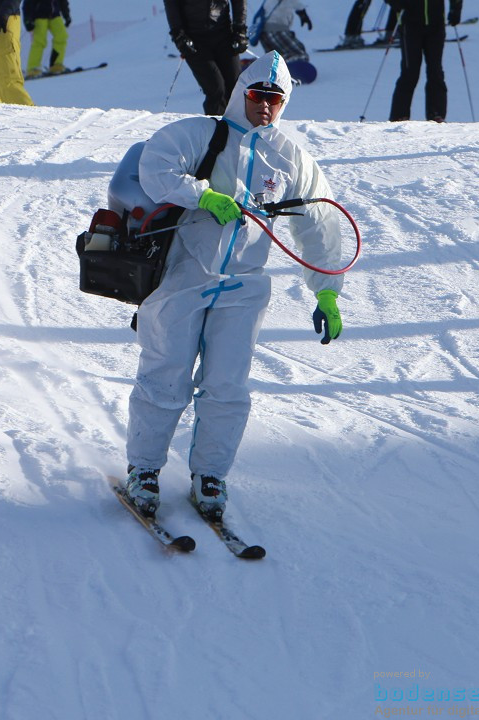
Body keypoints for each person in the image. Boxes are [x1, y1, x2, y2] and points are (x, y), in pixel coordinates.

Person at [120, 51, 345, 521]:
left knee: (227, 386)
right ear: (242, 91)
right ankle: (143, 469)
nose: (266, 105)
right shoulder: (203, 134)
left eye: (276, 98)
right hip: (184, 276)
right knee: (165, 377)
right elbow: (156, 166)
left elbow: (319, 222)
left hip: (243, 286)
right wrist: (203, 195)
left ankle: (210, 476)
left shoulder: (289, 158)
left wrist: (326, 290)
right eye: (258, 94)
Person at [164, 0, 248, 115]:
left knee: (236, 87)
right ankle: (217, 129)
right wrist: (179, 36)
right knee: (216, 89)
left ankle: (239, 127)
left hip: (224, 35)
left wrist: (240, 30)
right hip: (195, 40)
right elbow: (171, 6)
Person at [388, 0, 462, 122]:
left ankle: (436, 114)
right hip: (410, 23)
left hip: (436, 23)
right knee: (410, 71)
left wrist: (455, 9)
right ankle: (399, 115)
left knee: (435, 70)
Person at [22, 0, 71, 78]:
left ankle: (56, 65)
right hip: (39, 15)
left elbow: (62, 1)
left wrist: (66, 15)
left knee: (62, 36)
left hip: (54, 14)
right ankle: (33, 68)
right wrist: (27, 19)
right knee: (39, 41)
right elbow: (28, 3)